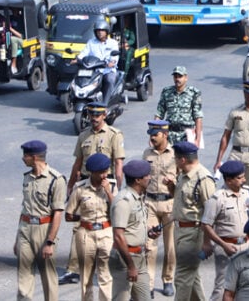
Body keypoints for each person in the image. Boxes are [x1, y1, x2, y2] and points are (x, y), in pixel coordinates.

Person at [61, 101, 125, 285]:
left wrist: (117, 188)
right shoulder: (83, 136)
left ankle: (113, 265)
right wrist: (71, 185)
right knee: (79, 226)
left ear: (104, 115)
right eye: (91, 115)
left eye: (97, 115)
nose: (94, 119)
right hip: (86, 183)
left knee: (109, 224)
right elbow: (77, 163)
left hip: (107, 182)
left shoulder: (114, 135)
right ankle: (73, 269)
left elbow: (119, 164)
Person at [15, 140, 66, 301]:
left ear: (35, 157)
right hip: (25, 229)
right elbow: (24, 208)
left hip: (45, 230)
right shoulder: (27, 178)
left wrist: (49, 242)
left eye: (26, 156)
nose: (23, 159)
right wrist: (18, 238)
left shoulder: (56, 180)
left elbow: (57, 213)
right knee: (24, 276)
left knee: (48, 277)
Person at [167, 141, 216, 301]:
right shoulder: (183, 174)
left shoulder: (204, 179)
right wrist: (171, 188)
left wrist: (207, 242)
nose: (173, 160)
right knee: (191, 277)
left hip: (194, 234)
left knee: (182, 277)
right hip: (180, 230)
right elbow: (185, 201)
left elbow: (210, 213)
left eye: (175, 158)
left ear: (182, 160)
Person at [65, 153, 116, 300]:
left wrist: (108, 191)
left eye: (106, 171)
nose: (104, 175)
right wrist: (84, 219)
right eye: (101, 172)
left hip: (106, 232)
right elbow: (68, 215)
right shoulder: (80, 189)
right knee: (86, 277)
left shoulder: (111, 187)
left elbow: (117, 211)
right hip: (86, 234)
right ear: (91, 173)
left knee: (105, 276)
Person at [200, 161, 249, 301]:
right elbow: (206, 225)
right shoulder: (217, 199)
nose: (244, 180)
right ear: (229, 180)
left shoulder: (247, 192)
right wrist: (223, 245)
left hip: (246, 246)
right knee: (223, 287)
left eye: (243, 177)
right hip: (227, 248)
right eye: (240, 178)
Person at [110, 160, 161, 301]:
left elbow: (134, 226)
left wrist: (149, 233)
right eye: (147, 175)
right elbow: (119, 236)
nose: (150, 178)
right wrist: (131, 266)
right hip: (125, 259)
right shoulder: (123, 201)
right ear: (138, 180)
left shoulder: (138, 197)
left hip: (139, 257)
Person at [214, 81, 249, 191]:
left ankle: (248, 208)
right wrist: (219, 160)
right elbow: (225, 136)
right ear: (244, 93)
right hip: (236, 153)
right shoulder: (235, 111)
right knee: (230, 185)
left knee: (248, 189)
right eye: (248, 93)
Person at [143, 120, 178, 297]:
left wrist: (173, 184)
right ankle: (148, 283)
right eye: (150, 134)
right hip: (149, 203)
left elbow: (183, 181)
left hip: (170, 204)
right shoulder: (147, 153)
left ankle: (168, 279)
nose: (151, 137)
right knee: (150, 246)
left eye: (155, 134)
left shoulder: (175, 155)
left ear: (165, 135)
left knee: (170, 246)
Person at [156, 65, 204, 147]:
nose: (177, 79)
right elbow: (159, 114)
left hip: (187, 134)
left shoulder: (194, 93)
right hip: (170, 134)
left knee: (186, 159)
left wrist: (198, 139)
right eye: (175, 76)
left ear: (186, 77)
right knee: (169, 158)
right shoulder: (167, 92)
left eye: (180, 76)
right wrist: (154, 134)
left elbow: (198, 117)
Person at [74, 20, 120, 104]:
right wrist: (77, 59)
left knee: (109, 80)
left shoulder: (113, 43)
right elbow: (84, 52)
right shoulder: (91, 42)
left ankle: (105, 104)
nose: (100, 33)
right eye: (98, 31)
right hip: (94, 70)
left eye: (102, 31)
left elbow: (114, 57)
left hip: (107, 70)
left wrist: (112, 62)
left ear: (107, 31)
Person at [0, 7, 24, 74]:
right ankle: (2, 68)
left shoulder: (22, 19)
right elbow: (5, 29)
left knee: (12, 40)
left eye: (15, 9)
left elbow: (21, 36)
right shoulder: (10, 18)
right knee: (3, 44)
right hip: (8, 38)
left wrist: (10, 28)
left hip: (21, 40)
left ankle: (13, 63)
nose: (14, 11)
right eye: (13, 9)